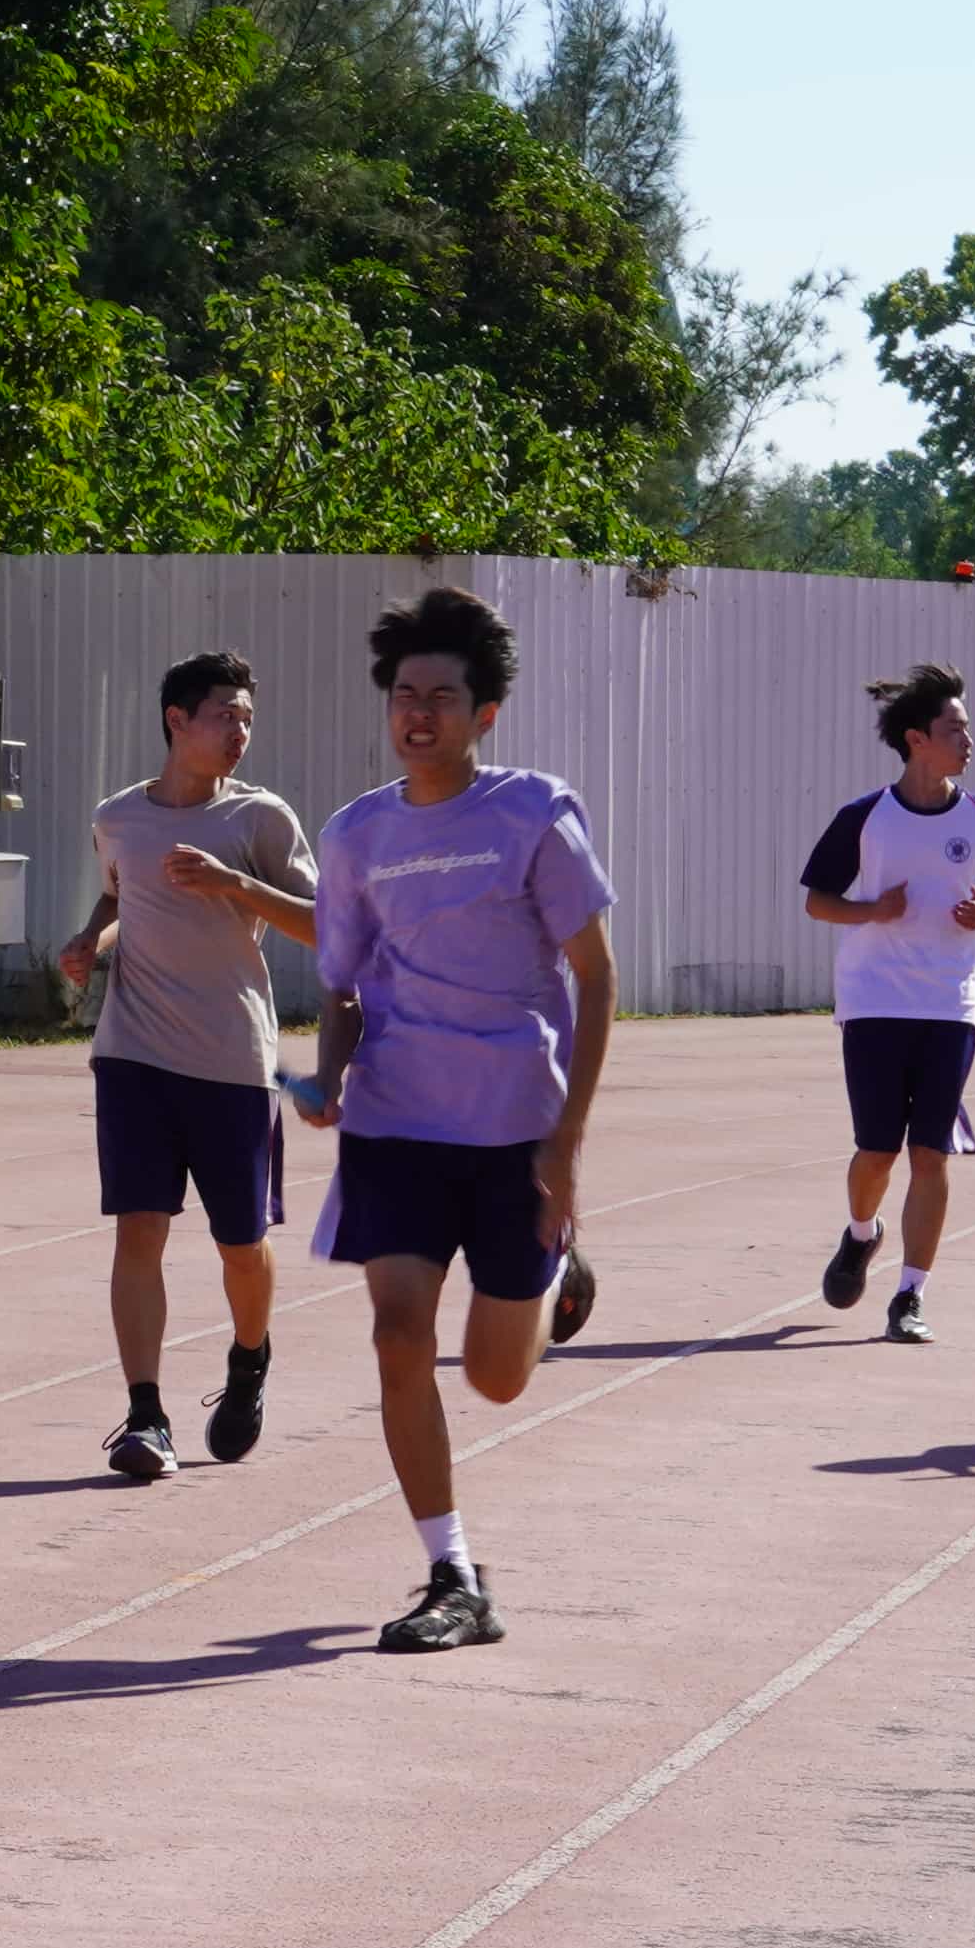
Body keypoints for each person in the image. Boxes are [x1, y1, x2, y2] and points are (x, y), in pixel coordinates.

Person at [294, 588, 614, 1654]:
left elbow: (596, 977)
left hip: (515, 1125)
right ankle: (455, 1574)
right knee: (397, 1337)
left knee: (495, 1378)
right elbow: (342, 985)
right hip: (396, 1125)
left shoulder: (534, 815)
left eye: (440, 696)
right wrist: (329, 1076)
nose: (417, 712)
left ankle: (556, 1273)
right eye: (403, 694)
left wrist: (567, 1144)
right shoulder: (354, 834)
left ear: (485, 714)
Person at [56, 649, 316, 1482]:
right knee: (139, 1230)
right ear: (178, 720)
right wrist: (89, 941)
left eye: (247, 718)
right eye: (224, 716)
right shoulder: (118, 817)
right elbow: (120, 894)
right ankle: (146, 1416)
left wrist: (233, 884)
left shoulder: (260, 818)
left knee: (241, 1245)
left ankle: (249, 1359)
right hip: (133, 1056)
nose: (240, 731)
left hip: (233, 1060)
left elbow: (325, 925)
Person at [800, 661, 975, 1346]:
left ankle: (910, 1295)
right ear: (916, 739)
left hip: (951, 1003)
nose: (969, 740)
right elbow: (818, 902)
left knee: (931, 1153)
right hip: (873, 1000)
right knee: (876, 1151)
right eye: (954, 729)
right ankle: (860, 1233)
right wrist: (872, 910)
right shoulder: (864, 819)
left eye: (967, 728)